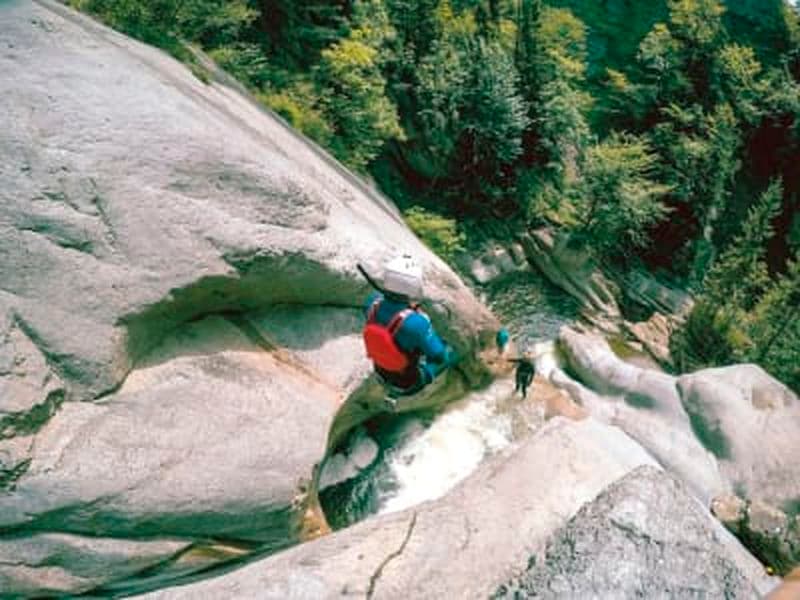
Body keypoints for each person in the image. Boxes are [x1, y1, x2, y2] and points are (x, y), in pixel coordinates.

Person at [362, 255, 454, 408]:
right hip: (408, 382)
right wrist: (423, 324)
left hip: (380, 371)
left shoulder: (372, 303)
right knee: (449, 352)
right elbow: (439, 357)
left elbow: (389, 323)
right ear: (413, 286)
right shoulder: (417, 323)